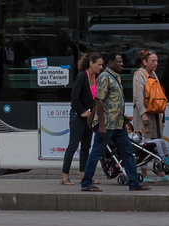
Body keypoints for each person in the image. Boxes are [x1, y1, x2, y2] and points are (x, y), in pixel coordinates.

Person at [81, 46, 151, 192]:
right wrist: (101, 125)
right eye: (118, 62)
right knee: (96, 152)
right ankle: (86, 183)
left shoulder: (114, 77)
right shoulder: (105, 77)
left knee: (127, 152)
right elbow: (99, 100)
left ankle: (134, 182)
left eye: (122, 62)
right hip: (107, 124)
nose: (122, 64)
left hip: (118, 123)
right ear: (110, 62)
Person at [62, 52, 99, 185]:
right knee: (73, 146)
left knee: (86, 147)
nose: (101, 67)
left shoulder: (96, 77)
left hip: (89, 117)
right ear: (91, 63)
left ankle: (84, 175)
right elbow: (74, 96)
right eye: (99, 64)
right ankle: (65, 176)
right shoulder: (82, 76)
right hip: (78, 116)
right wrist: (82, 111)